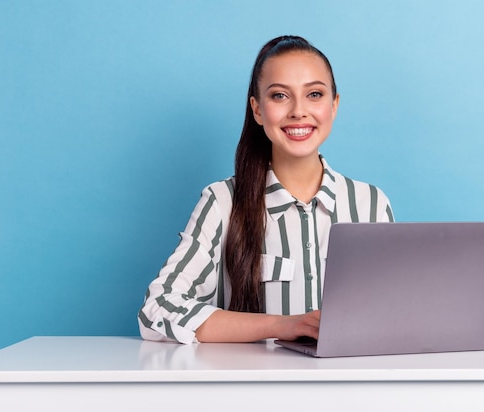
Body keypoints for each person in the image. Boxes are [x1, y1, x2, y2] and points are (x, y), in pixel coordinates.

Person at [138, 35, 394, 344]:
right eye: (280, 96)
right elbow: (158, 309)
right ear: (258, 110)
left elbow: (393, 313)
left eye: (314, 94)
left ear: (334, 105)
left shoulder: (371, 204)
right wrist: (282, 325)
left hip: (352, 388)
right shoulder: (223, 203)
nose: (299, 111)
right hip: (253, 389)